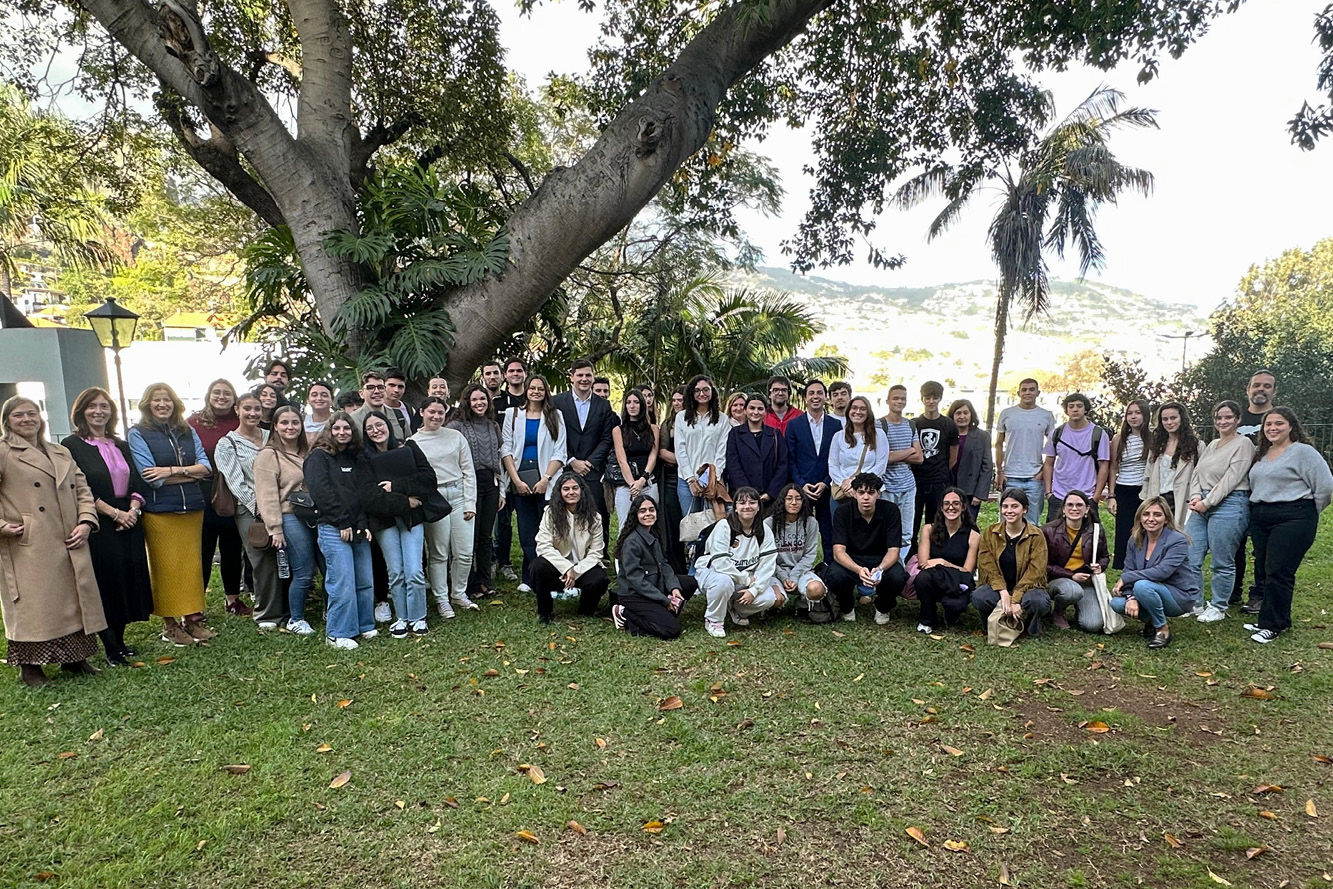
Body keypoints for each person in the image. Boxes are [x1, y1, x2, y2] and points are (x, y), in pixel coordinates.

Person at [0, 396, 107, 685]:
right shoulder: (4, 452)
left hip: (70, 536)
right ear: (7, 421)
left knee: (73, 598)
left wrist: (86, 522)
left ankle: (75, 659)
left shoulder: (59, 452)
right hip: (29, 542)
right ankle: (30, 668)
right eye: (18, 415)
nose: (26, 419)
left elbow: (83, 490)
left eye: (32, 413)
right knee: (36, 606)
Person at [60, 389, 152, 667]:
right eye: (92, 406)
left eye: (104, 406)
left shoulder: (120, 444)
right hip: (99, 520)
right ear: (81, 411)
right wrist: (114, 513)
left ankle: (121, 641)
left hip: (130, 518)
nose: (99, 411)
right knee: (106, 582)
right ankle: (110, 647)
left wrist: (132, 510)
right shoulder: (71, 444)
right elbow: (79, 486)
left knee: (127, 579)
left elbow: (137, 478)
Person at [127, 383, 215, 647]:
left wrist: (169, 471)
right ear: (147, 404)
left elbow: (207, 468)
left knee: (191, 568)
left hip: (192, 509)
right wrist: (188, 473)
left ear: (175, 403)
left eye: (167, 399)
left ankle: (191, 619)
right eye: (157, 400)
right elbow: (149, 476)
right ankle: (170, 625)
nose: (162, 404)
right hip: (159, 511)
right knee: (166, 569)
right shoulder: (138, 433)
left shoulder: (188, 431)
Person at [1245, 407, 1333, 644]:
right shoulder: (1263, 453)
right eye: (1268, 424)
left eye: (1279, 423)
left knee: (1278, 571)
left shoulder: (1303, 452)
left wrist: (1306, 512)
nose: (1272, 428)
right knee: (1264, 568)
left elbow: (1325, 486)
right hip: (1262, 515)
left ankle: (1272, 625)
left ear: (1291, 425)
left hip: (1293, 516)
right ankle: (1273, 618)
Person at [305, 413, 377, 649]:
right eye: (337, 428)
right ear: (329, 430)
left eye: (347, 428)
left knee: (365, 580)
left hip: (358, 527)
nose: (342, 432)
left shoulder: (357, 457)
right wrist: (342, 521)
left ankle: (364, 624)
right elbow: (321, 492)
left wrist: (363, 524)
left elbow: (363, 493)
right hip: (333, 527)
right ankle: (337, 633)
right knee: (341, 580)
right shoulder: (318, 457)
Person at [361, 411, 436, 636]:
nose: (376, 430)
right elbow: (370, 496)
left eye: (379, 424)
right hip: (385, 521)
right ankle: (402, 617)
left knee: (414, 570)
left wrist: (395, 486)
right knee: (396, 572)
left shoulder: (408, 448)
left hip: (411, 520)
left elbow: (428, 479)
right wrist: (405, 501)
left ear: (388, 425)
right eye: (370, 428)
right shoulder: (363, 459)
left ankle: (418, 617)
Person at [215, 392, 282, 629]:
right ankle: (267, 614)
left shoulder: (271, 436)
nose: (253, 413)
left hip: (281, 504)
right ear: (237, 410)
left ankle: (287, 607)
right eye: (247, 409)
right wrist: (261, 508)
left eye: (257, 409)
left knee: (283, 556)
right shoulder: (227, 443)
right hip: (249, 510)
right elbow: (235, 482)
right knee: (261, 559)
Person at [1185, 400, 1255, 623]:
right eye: (1219, 417)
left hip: (1230, 503)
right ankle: (1194, 602)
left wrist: (1208, 501)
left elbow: (1232, 478)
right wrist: (1196, 497)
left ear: (1237, 419)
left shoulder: (1243, 444)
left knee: (1222, 560)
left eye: (1228, 417)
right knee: (1190, 555)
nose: (1223, 421)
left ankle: (1218, 606)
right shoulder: (1212, 444)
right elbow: (1196, 473)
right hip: (1202, 503)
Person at [188, 378, 250, 616]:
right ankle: (196, 604)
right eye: (217, 392)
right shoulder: (194, 423)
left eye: (227, 393)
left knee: (232, 546)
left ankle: (232, 599)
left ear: (234, 399)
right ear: (208, 395)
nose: (222, 396)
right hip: (203, 489)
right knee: (202, 548)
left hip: (233, 489)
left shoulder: (239, 422)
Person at [413, 395, 479, 619]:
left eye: (440, 412)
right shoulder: (414, 442)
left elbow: (468, 470)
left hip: (459, 494)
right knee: (439, 552)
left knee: (465, 551)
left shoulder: (456, 436)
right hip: (435, 498)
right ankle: (441, 599)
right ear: (422, 412)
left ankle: (458, 593)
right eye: (432, 412)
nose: (436, 416)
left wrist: (470, 502)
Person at [500, 375, 568, 592]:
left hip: (547, 480)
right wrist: (516, 480)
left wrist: (546, 479)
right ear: (526, 390)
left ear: (546, 391)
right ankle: (529, 577)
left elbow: (561, 451)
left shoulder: (555, 415)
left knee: (550, 529)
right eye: (532, 388)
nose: (536, 392)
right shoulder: (513, 414)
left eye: (540, 388)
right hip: (521, 480)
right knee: (526, 529)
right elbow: (506, 449)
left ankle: (552, 575)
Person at [254, 405, 317, 634]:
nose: (290, 427)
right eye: (285, 423)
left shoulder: (309, 451)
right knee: (303, 570)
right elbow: (266, 495)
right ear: (276, 427)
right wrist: (275, 528)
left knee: (324, 566)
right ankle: (296, 619)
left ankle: (330, 611)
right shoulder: (268, 456)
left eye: (295, 423)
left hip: (315, 516)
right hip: (289, 516)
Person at [1111, 496, 1200, 650]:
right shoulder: (1135, 540)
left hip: (1179, 596)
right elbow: (1129, 568)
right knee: (1117, 603)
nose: (1151, 519)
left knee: (1142, 586)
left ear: (1166, 519)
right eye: (1146, 514)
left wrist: (1126, 579)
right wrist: (1131, 596)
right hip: (1148, 589)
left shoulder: (1177, 540)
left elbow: (1162, 572)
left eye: (1157, 514)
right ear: (1140, 518)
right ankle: (1152, 622)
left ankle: (1162, 630)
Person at [695, 486, 782, 637]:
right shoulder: (724, 526)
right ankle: (714, 620)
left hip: (746, 579)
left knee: (769, 598)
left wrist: (753, 590)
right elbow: (720, 563)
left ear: (758, 507)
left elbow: (767, 565)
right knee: (724, 581)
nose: (747, 506)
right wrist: (746, 579)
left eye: (752, 503)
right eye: (742, 503)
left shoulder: (764, 530)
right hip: (714, 574)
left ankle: (736, 608)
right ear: (735, 508)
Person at [825, 472, 909, 624]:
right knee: (834, 575)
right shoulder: (843, 512)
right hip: (852, 559)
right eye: (861, 492)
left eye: (871, 493)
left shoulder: (891, 510)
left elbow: (893, 551)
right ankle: (847, 606)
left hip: (881, 559)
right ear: (854, 493)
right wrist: (858, 569)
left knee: (898, 576)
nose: (866, 497)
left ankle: (883, 607)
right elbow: (838, 552)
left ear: (878, 493)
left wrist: (880, 568)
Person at [612, 493, 699, 639]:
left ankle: (662, 613)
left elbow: (663, 564)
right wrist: (664, 600)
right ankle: (625, 614)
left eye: (651, 510)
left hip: (654, 583)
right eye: (643, 511)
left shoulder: (652, 532)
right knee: (671, 631)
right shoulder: (631, 543)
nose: (648, 514)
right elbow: (636, 581)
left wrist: (674, 588)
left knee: (689, 583)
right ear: (635, 515)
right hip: (634, 595)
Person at [552, 358, 616, 545]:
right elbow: (554, 435)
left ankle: (599, 552)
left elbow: (606, 438)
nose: (584, 379)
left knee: (596, 511)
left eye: (588, 375)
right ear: (572, 377)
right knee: (566, 511)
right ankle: (566, 549)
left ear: (593, 378)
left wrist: (589, 462)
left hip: (593, 469)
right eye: (580, 375)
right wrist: (572, 460)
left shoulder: (603, 405)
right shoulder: (557, 402)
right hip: (565, 466)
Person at [971, 488, 1051, 638]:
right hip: (998, 586)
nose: (1009, 511)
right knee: (979, 597)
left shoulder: (1036, 534)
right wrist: (1003, 592)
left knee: (1038, 601)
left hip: (1028, 587)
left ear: (1025, 510)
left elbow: (1036, 571)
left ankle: (1030, 626)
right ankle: (992, 625)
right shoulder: (990, 532)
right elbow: (987, 566)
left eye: (1015, 506)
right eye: (1005, 506)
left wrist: (1015, 598)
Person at [533, 472, 610, 623]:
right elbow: (543, 546)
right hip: (558, 570)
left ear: (582, 490)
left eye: (575, 488)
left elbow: (596, 553)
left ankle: (586, 611)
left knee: (600, 579)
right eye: (566, 489)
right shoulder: (550, 513)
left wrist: (576, 570)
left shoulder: (594, 517)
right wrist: (567, 568)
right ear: (560, 493)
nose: (571, 492)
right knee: (537, 566)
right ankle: (545, 613)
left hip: (582, 568)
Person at [449, 384, 503, 598]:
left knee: (485, 535)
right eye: (474, 400)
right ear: (467, 402)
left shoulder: (493, 426)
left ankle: (484, 580)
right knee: (468, 536)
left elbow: (499, 457)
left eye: (483, 399)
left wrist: (502, 491)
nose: (479, 403)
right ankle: (469, 583)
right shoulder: (456, 426)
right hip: (468, 484)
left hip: (490, 483)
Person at [1235, 369, 1277, 614]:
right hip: (1236, 490)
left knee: (1263, 549)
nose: (1261, 389)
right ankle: (1233, 591)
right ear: (1248, 390)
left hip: (1265, 493)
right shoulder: (1237, 420)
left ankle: (1259, 595)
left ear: (1274, 391)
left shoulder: (1276, 420)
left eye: (1267, 386)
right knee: (1234, 545)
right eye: (1256, 385)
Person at [785, 379, 842, 564]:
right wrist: (801, 484)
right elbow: (790, 459)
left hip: (827, 487)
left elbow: (837, 459)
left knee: (829, 532)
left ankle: (829, 570)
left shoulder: (835, 425)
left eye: (819, 393)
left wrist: (825, 482)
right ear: (805, 398)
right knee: (800, 534)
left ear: (825, 397)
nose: (815, 397)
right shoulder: (794, 425)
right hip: (803, 489)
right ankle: (800, 574)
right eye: (811, 393)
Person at [913, 487, 981, 633]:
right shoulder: (928, 529)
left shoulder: (973, 535)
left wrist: (942, 562)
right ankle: (927, 619)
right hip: (934, 578)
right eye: (947, 503)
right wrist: (945, 568)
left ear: (963, 507)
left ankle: (951, 613)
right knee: (922, 579)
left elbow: (967, 571)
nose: (951, 507)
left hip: (958, 582)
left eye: (956, 503)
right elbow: (924, 563)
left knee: (955, 609)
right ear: (941, 508)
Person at [1042, 490, 1109, 632]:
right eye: (1070, 505)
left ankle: (1081, 607)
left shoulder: (1096, 530)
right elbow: (1042, 565)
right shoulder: (1048, 531)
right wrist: (1071, 576)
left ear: (1087, 509)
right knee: (1072, 590)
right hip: (1057, 579)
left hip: (1085, 582)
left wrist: (1100, 566)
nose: (1074, 508)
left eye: (1079, 505)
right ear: (1063, 509)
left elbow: (1104, 556)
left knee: (1093, 625)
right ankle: (1059, 611)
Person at [994, 378, 1054, 525]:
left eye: (1031, 389)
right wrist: (1000, 472)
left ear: (1038, 393)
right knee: (1007, 522)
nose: (1028, 393)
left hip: (1035, 478)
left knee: (1032, 523)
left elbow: (1053, 447)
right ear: (1018, 393)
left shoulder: (1046, 415)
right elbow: (998, 444)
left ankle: (1030, 548)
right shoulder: (1007, 414)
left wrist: (1042, 472)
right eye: (1024, 390)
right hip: (1010, 477)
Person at [1041, 393, 1109, 521]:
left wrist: (1096, 496)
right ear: (1066, 410)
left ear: (1086, 409)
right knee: (1053, 537)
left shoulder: (1099, 434)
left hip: (1087, 496)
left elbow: (1104, 465)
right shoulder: (1056, 434)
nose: (1075, 409)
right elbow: (1049, 463)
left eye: (1079, 406)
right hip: (1059, 495)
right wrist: (1049, 493)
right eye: (1071, 406)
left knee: (1089, 538)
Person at [492, 356, 529, 583]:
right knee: (502, 520)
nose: (515, 374)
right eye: (511, 371)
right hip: (503, 467)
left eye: (519, 370)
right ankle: (503, 562)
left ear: (525, 373)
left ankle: (531, 560)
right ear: (505, 375)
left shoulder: (533, 398)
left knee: (528, 519)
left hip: (528, 468)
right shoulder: (496, 402)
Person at [910, 380, 960, 542]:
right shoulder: (914, 424)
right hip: (916, 480)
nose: (931, 401)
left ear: (940, 399)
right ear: (922, 399)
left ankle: (932, 552)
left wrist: (941, 472)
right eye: (928, 397)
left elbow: (953, 456)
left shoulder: (949, 424)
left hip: (939, 481)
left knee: (935, 521)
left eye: (935, 397)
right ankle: (911, 554)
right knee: (913, 520)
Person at [765, 484, 827, 613]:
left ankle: (802, 603)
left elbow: (810, 554)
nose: (794, 502)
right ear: (782, 501)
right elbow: (767, 558)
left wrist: (794, 576)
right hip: (775, 572)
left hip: (801, 571)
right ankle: (773, 606)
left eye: (798, 499)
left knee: (816, 590)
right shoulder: (769, 523)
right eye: (789, 498)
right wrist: (783, 576)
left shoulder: (810, 522)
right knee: (776, 599)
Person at [675, 375, 730, 517]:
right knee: (691, 527)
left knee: (712, 525)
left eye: (706, 390)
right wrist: (691, 479)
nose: (702, 394)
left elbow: (721, 452)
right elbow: (680, 450)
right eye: (697, 390)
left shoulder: (722, 419)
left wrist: (711, 479)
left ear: (712, 392)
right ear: (691, 394)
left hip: (712, 481)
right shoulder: (681, 417)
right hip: (686, 481)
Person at [1106, 399, 1150, 569]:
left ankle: (1144, 565)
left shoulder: (1153, 438)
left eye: (1137, 413)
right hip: (1124, 489)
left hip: (1145, 490)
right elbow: (1113, 468)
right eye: (1130, 413)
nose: (1133, 417)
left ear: (1145, 415)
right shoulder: (1119, 438)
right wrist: (1111, 495)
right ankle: (1125, 568)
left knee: (1145, 529)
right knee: (1124, 532)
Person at [878, 385, 922, 550]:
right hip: (886, 487)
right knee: (885, 529)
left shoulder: (910, 425)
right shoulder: (880, 425)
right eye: (895, 398)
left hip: (908, 487)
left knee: (906, 532)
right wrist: (909, 450)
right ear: (888, 401)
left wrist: (897, 454)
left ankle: (901, 567)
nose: (899, 401)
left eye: (902, 398)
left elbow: (919, 457)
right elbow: (883, 457)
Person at [1140, 401, 1197, 527]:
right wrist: (1145, 500)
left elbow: (1199, 475)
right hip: (1157, 497)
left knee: (1178, 535)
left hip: (1181, 498)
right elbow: (1147, 475)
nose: (1169, 422)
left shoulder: (1196, 445)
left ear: (1182, 419)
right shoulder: (1156, 445)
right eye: (1165, 419)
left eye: (1173, 418)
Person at [726, 393, 788, 504]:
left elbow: (783, 465)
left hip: (770, 497)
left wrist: (770, 493)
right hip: (743, 498)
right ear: (745, 410)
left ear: (765, 412)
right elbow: (733, 465)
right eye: (752, 408)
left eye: (760, 409)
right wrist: (748, 493)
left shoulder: (775, 434)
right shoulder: (735, 434)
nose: (755, 412)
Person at [610, 387, 659, 527]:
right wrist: (633, 486)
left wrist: (642, 480)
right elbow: (621, 460)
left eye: (636, 402)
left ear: (642, 405)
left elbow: (653, 456)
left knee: (650, 524)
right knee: (625, 526)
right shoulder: (618, 430)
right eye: (629, 402)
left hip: (649, 483)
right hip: (626, 486)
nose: (632, 406)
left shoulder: (653, 429)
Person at [828, 396, 889, 507]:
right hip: (843, 493)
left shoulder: (879, 435)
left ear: (868, 413)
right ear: (848, 412)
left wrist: (856, 483)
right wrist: (844, 483)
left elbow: (881, 465)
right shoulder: (838, 436)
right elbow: (833, 465)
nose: (858, 412)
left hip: (869, 493)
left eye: (862, 409)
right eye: (854, 408)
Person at [655, 386, 688, 574]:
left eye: (680, 400)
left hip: (697, 479)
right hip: (671, 479)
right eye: (674, 400)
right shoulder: (668, 424)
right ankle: (676, 565)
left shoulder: (698, 422)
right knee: (673, 523)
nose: (676, 403)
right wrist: (686, 461)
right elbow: (662, 452)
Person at [948, 398, 992, 523]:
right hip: (948, 487)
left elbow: (987, 466)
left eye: (965, 413)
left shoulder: (982, 436)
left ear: (971, 414)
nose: (962, 416)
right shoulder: (946, 433)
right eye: (958, 413)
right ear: (952, 415)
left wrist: (979, 494)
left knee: (968, 526)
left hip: (971, 491)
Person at [350, 371, 408, 441]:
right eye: (370, 387)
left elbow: (409, 442)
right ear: (361, 394)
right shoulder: (353, 420)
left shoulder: (398, 416)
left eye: (380, 387)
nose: (377, 391)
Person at [383, 367, 418, 434]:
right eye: (392, 385)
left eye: (400, 387)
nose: (396, 390)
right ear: (383, 386)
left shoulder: (410, 410)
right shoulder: (376, 409)